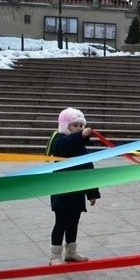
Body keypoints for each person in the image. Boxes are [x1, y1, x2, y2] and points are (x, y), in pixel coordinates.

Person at [47, 108, 101, 265]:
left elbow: (87, 169)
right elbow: (62, 147)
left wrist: (92, 192)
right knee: (61, 223)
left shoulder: (80, 147)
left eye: (80, 125)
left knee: (73, 223)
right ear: (65, 126)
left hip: (77, 191)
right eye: (74, 125)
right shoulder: (60, 140)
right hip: (62, 191)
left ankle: (71, 252)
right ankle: (55, 255)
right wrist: (81, 136)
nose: (78, 128)